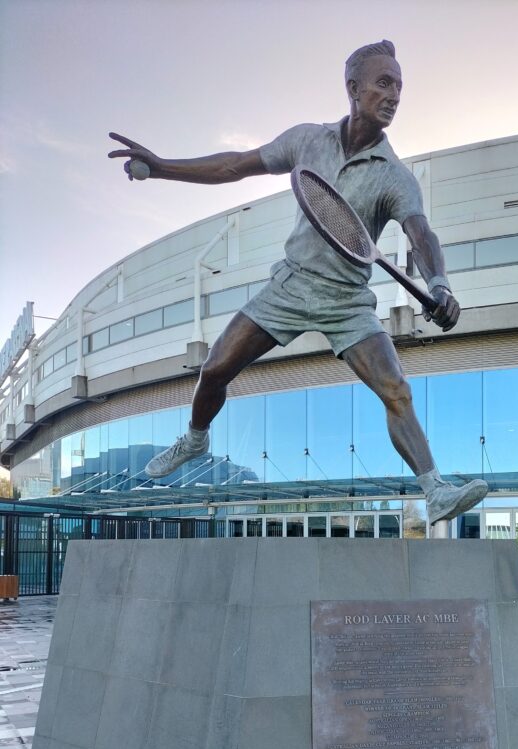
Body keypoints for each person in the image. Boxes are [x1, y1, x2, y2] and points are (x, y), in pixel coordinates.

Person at [108, 40, 488, 526]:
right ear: (353, 89)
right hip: (289, 286)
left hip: (347, 301)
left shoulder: (396, 177)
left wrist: (440, 284)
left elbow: (421, 233)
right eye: (383, 83)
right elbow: (234, 165)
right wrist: (162, 167)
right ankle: (196, 439)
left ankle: (434, 490)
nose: (394, 95)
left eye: (399, 86)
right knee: (214, 369)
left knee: (397, 390)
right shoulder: (307, 140)